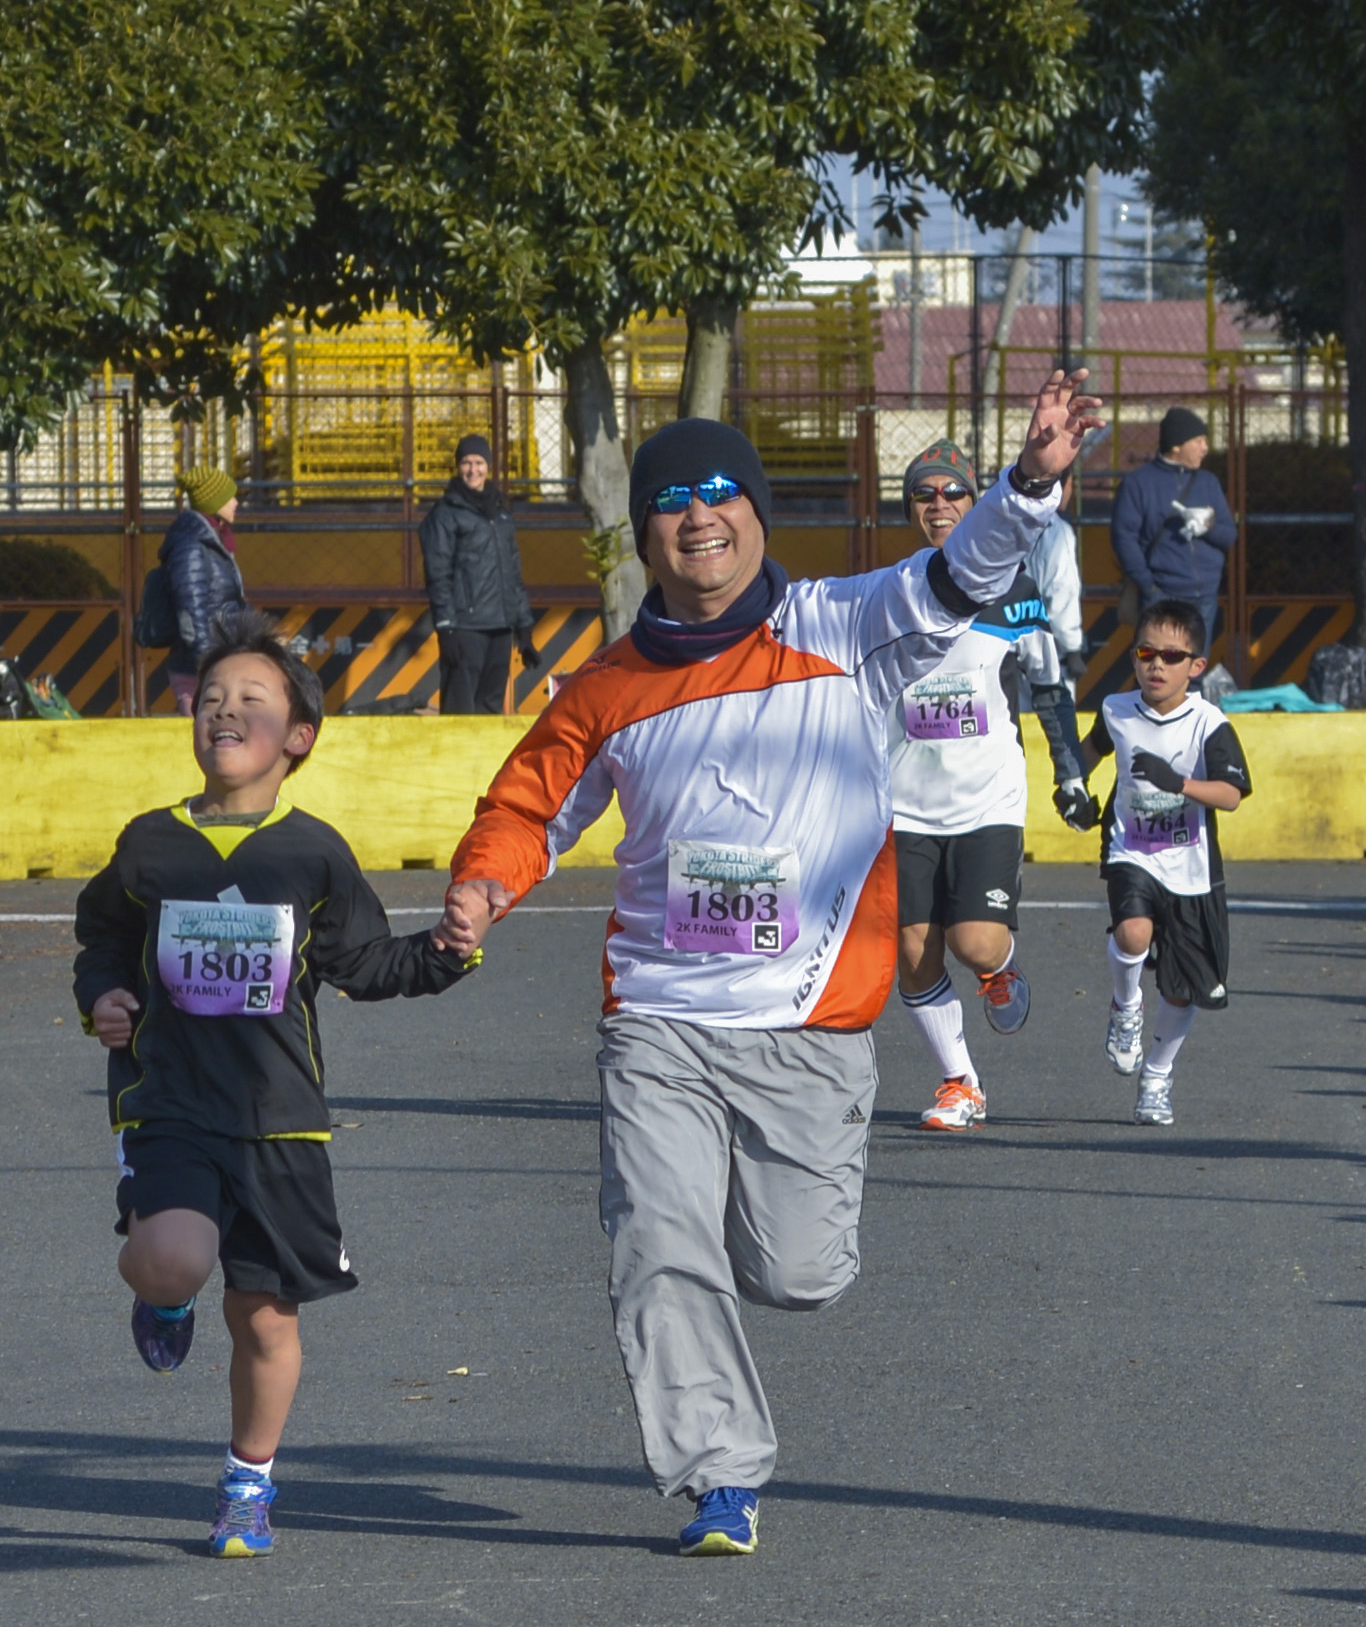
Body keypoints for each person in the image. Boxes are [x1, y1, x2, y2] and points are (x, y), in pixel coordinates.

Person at [435, 370, 1107, 1556]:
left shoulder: (849, 625)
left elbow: (964, 570)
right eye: (672, 499)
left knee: (798, 1274)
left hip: (809, 1025)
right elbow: (530, 807)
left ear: (754, 511)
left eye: (721, 491)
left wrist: (1032, 483)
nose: (700, 513)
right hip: (659, 1019)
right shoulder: (606, 690)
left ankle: (761, 1297)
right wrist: (484, 886)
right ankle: (719, 1476)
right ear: (645, 531)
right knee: (656, 1234)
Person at [72, 621, 480, 1557]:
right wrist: (103, 993)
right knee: (172, 1258)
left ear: (297, 737)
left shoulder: (313, 854)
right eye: (212, 696)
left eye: (253, 699)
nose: (226, 709)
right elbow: (99, 933)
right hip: (168, 1099)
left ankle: (247, 1483)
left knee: (264, 1316)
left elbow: (366, 963)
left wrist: (449, 951)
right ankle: (163, 1297)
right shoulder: (149, 845)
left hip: (282, 1124)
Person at [873, 439, 1084, 1132]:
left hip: (987, 800)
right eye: (923, 494)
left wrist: (1072, 773)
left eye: (952, 492)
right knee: (911, 946)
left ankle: (1001, 972)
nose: (939, 505)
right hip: (905, 804)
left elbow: (1050, 688)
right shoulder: (892, 590)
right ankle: (959, 1081)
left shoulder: (1017, 592)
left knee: (976, 944)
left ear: (975, 502)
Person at [1083, 599, 1249, 1128]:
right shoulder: (1115, 709)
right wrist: (1071, 789)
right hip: (1130, 851)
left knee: (1183, 987)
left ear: (1196, 666)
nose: (1156, 665)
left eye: (1171, 656)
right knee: (1132, 932)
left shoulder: (1208, 723)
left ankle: (1156, 1078)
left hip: (1190, 867)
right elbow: (1087, 752)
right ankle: (1125, 1008)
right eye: (1146, 652)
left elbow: (1231, 794)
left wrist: (1177, 782)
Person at [419, 435, 536, 722]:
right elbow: (438, 574)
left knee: (490, 713)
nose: (473, 470)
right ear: (458, 467)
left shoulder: (501, 515)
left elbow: (512, 574)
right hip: (464, 629)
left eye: (479, 463)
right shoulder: (445, 515)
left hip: (500, 628)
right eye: (466, 463)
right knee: (460, 714)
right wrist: (446, 628)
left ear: (489, 467)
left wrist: (524, 628)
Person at [1111, 408, 1239, 635]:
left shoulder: (1208, 482)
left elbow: (1229, 536)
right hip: (1161, 595)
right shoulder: (1138, 484)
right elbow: (1124, 538)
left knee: (1195, 666)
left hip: (1205, 595)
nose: (1205, 448)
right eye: (1198, 440)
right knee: (1160, 666)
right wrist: (1148, 585)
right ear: (1176, 445)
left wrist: (1207, 527)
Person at [145, 461, 246, 713]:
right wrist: (207, 662)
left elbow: (226, 602)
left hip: (218, 663)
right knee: (200, 742)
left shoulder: (213, 543)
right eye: (230, 497)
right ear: (213, 502)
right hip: (198, 671)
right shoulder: (191, 546)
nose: (236, 502)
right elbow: (191, 609)